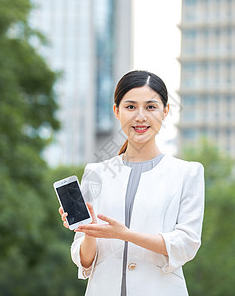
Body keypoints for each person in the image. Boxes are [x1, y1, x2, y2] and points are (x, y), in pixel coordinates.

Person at [58, 70, 205, 295]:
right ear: (116, 111)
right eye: (130, 107)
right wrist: (89, 231)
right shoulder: (96, 173)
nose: (140, 116)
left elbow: (186, 245)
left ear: (165, 111)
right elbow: (85, 261)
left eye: (151, 107)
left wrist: (124, 234)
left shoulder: (187, 173)